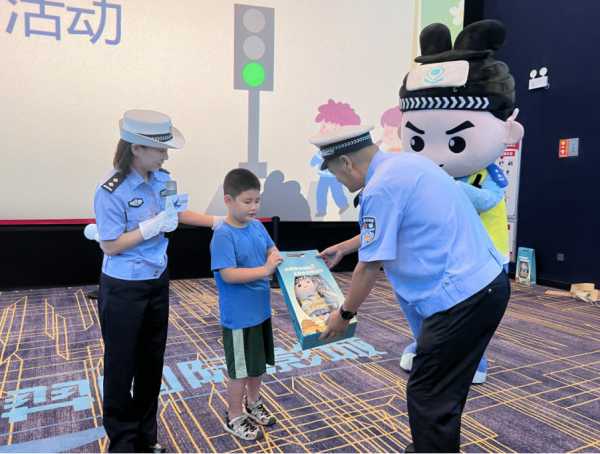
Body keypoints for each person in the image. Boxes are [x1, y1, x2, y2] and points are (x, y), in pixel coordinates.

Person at [311, 123, 510, 453]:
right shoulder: (407, 164)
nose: (338, 180)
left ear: (346, 162)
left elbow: (368, 267)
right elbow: (392, 224)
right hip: (487, 285)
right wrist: (344, 247)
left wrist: (344, 314)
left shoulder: (379, 189)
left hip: (461, 300)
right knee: (444, 388)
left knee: (428, 393)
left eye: (334, 172)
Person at [394, 20, 524, 384]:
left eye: (455, 142)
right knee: (423, 303)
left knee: (468, 315)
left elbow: (487, 200)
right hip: (438, 256)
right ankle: (426, 346)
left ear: (509, 130)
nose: (435, 156)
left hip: (481, 260)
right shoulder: (422, 176)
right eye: (417, 141)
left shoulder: (486, 174)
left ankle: (473, 362)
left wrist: (443, 185)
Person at [94, 109, 224, 454]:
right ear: (136, 149)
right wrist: (149, 228)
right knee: (121, 364)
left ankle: (146, 435)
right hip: (124, 286)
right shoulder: (111, 190)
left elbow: (177, 212)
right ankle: (123, 442)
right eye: (161, 150)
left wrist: (218, 221)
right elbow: (110, 245)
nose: (166, 157)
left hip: (157, 280)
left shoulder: (162, 179)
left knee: (152, 362)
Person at [210, 168, 284, 441]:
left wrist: (290, 261)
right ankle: (234, 415)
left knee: (257, 364)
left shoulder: (258, 226)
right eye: (247, 201)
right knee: (239, 371)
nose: (254, 207)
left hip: (260, 310)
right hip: (239, 316)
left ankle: (253, 403)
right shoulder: (223, 234)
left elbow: (271, 250)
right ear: (228, 201)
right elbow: (228, 274)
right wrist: (266, 270)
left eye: (257, 201)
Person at [309, 99, 360, 217]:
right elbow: (314, 161)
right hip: (323, 176)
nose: (327, 131)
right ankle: (321, 209)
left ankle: (343, 205)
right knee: (321, 192)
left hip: (334, 177)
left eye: (334, 128)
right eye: (324, 126)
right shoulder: (321, 151)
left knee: (337, 192)